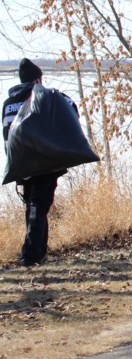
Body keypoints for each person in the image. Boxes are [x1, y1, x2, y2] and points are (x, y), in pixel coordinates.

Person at [2, 58, 75, 267]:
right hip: (44, 163)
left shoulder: (8, 103)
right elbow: (70, 107)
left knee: (32, 206)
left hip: (20, 164)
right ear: (37, 79)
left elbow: (7, 135)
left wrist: (14, 164)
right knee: (39, 206)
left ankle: (40, 252)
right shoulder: (42, 95)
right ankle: (30, 255)